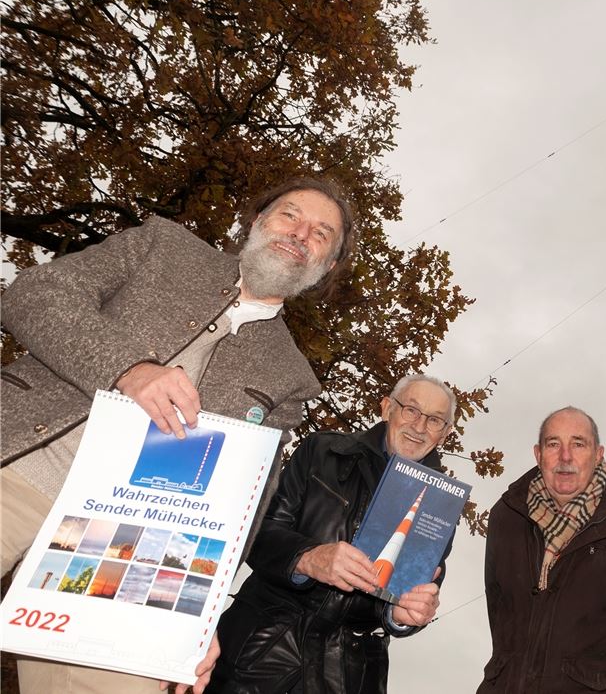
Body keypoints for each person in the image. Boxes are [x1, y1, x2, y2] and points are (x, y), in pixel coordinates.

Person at [1, 177, 354, 693]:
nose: (301, 233)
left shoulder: (292, 377)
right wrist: (128, 368)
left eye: (321, 234)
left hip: (125, 555)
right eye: (289, 215)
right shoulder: (162, 246)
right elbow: (34, 294)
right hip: (22, 468)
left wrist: (196, 615)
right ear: (256, 223)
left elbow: (246, 503)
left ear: (325, 266)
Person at [208, 374, 454, 693]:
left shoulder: (441, 506)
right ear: (386, 409)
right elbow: (257, 535)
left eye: (434, 420)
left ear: (445, 434)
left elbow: (410, 595)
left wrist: (403, 615)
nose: (419, 427)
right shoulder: (322, 451)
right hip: (261, 655)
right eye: (411, 410)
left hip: (350, 674)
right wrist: (308, 558)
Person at [478, 406, 606, 694]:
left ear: (598, 453)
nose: (565, 457)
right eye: (553, 444)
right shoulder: (506, 515)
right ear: (538, 454)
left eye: (578, 444)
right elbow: (499, 609)